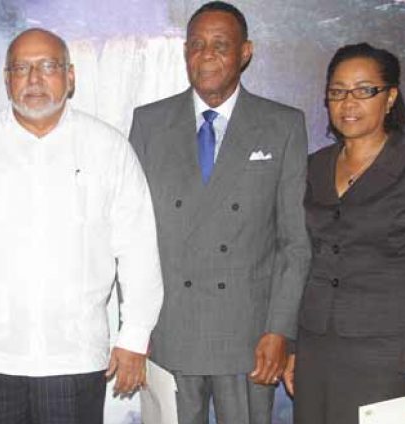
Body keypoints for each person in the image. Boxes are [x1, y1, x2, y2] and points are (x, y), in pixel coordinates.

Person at [0, 28, 163, 424]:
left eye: (47, 66)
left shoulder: (108, 149)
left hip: (74, 359)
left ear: (71, 76)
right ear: (6, 79)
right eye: (21, 68)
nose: (34, 79)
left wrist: (134, 338)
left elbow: (138, 251)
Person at [128, 2, 310, 423]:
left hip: (247, 337)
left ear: (245, 52)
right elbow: (131, 237)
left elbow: (294, 243)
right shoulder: (150, 123)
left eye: (220, 45)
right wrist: (135, 329)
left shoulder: (282, 125)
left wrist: (280, 330)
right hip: (170, 330)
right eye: (196, 45)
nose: (206, 54)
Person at [282, 43, 405, 424]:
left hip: (383, 352)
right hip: (316, 343)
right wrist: (292, 345)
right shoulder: (314, 166)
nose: (349, 102)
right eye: (338, 91)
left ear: (390, 97)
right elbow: (301, 259)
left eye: (364, 90)